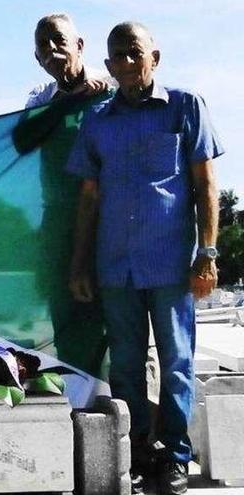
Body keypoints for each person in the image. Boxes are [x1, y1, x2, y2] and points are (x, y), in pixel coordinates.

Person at [67, 22, 223, 495]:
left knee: (177, 363)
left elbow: (206, 186)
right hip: (116, 266)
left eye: (135, 52)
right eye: (117, 56)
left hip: (173, 265)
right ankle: (134, 456)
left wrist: (207, 252)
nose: (127, 63)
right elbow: (89, 198)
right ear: (108, 65)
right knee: (127, 366)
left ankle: (175, 458)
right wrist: (78, 263)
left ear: (155, 56)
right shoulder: (97, 121)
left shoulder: (184, 107)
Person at [15, 13, 113, 377]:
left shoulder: (114, 89)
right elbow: (22, 140)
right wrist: (71, 101)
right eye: (43, 45)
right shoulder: (40, 99)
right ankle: (79, 401)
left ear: (80, 46)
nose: (52, 49)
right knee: (67, 310)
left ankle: (123, 409)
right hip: (59, 221)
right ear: (37, 59)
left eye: (58, 40)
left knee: (116, 312)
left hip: (112, 219)